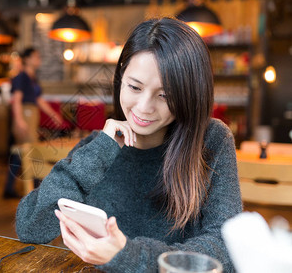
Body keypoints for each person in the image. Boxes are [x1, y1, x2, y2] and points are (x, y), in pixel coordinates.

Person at [15, 18, 242, 272]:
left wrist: (127, 255)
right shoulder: (98, 148)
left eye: (165, 95)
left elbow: (227, 248)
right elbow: (30, 226)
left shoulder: (212, 140)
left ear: (189, 94)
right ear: (121, 78)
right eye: (135, 86)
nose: (144, 107)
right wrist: (100, 151)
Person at [3, 47, 63, 198]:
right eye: (36, 56)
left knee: (20, 152)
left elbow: (38, 100)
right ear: (27, 59)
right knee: (32, 151)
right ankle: (36, 190)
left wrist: (53, 114)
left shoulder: (32, 78)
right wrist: (19, 120)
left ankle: (9, 188)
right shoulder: (22, 77)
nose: (39, 59)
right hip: (25, 115)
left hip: (31, 115)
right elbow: (16, 100)